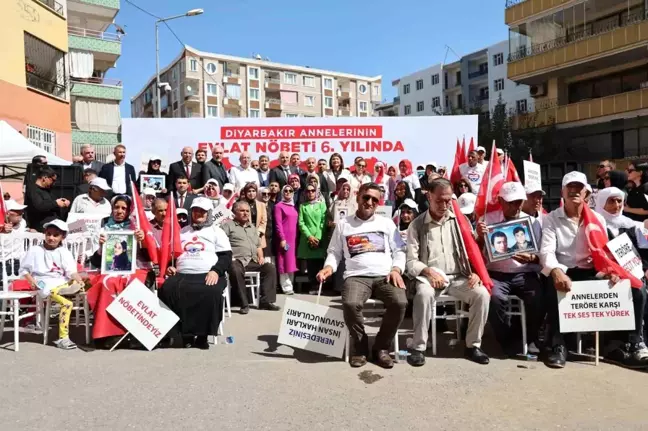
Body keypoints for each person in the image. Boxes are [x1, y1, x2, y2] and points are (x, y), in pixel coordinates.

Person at [317, 183, 407, 369]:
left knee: (400, 302)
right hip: (356, 276)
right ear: (358, 197)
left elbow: (400, 250)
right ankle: (360, 346)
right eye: (366, 197)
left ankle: (381, 348)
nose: (369, 202)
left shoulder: (386, 223)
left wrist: (396, 269)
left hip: (385, 275)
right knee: (350, 304)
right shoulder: (344, 224)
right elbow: (334, 252)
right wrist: (328, 268)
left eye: (375, 199)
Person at [405, 178, 491, 366]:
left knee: (482, 294)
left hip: (459, 277)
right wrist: (427, 271)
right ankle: (419, 347)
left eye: (448, 200)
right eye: (439, 201)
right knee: (423, 294)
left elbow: (473, 251)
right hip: (430, 278)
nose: (444, 205)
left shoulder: (460, 221)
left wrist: (476, 270)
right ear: (429, 196)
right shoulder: (417, 225)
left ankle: (473, 346)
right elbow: (411, 261)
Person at [539, 171, 620, 368]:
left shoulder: (598, 220)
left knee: (624, 289)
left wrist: (610, 270)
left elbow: (604, 252)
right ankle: (558, 345)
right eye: (570, 187)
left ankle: (619, 345)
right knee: (555, 288)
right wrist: (556, 271)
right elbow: (546, 252)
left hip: (588, 271)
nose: (574, 191)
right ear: (563, 192)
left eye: (579, 187)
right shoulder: (551, 219)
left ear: (587, 194)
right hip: (562, 269)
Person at [476, 181, 543, 357]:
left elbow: (541, 255)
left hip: (524, 272)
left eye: (518, 202)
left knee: (538, 297)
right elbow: (476, 252)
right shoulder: (487, 220)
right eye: (510, 202)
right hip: (496, 273)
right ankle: (506, 340)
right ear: (501, 201)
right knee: (494, 298)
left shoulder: (533, 222)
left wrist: (531, 258)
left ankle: (529, 337)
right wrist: (480, 237)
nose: (515, 206)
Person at [160, 198, 232, 349]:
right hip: (182, 273)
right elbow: (172, 253)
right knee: (168, 289)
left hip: (208, 272)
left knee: (210, 291)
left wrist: (215, 271)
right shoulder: (182, 231)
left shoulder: (216, 232)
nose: (198, 214)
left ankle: (202, 336)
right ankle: (184, 334)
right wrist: (170, 266)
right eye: (195, 210)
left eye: (202, 211)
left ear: (208, 213)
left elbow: (226, 257)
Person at [20, 219, 84, 350]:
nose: (51, 238)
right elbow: (24, 270)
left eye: (55, 235)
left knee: (78, 281)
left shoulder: (64, 252)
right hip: (42, 281)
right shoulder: (35, 250)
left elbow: (71, 271)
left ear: (63, 237)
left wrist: (78, 279)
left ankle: (69, 289)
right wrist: (32, 281)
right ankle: (63, 338)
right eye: (48, 234)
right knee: (67, 303)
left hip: (61, 280)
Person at [222, 201, 280, 313]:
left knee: (270, 267)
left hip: (251, 261)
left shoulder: (252, 227)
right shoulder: (227, 226)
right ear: (234, 212)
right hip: (236, 260)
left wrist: (261, 257)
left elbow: (258, 246)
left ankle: (266, 301)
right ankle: (244, 303)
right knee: (235, 268)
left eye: (247, 211)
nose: (245, 213)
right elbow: (220, 242)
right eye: (242, 211)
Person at [298, 182, 327, 293]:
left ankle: (319, 287)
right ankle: (312, 286)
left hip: (320, 237)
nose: (310, 193)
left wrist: (318, 238)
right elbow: (301, 223)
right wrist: (310, 236)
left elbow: (323, 222)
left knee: (320, 263)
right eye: (308, 191)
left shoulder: (322, 205)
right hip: (308, 238)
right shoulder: (302, 206)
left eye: (312, 191)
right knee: (310, 264)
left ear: (316, 192)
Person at [25, 167, 69, 232]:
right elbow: (39, 205)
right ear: (44, 178)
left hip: (56, 224)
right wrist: (56, 203)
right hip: (42, 227)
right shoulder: (33, 190)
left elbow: (53, 204)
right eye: (53, 180)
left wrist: (63, 203)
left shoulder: (48, 191)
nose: (54, 183)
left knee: (81, 225)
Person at [274, 185, 298, 294]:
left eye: (290, 190)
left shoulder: (293, 206)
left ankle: (290, 285)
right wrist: (282, 238)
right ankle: (286, 287)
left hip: (293, 239)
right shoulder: (279, 206)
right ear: (282, 192)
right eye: (286, 191)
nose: (288, 192)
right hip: (285, 239)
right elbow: (278, 224)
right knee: (283, 262)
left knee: (291, 262)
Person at [0, 200, 29, 285]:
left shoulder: (23, 222)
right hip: (3, 263)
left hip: (19, 262)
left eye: (21, 213)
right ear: (7, 213)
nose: (20, 216)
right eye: (18, 213)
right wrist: (2, 230)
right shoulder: (2, 226)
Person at [239, 183, 268, 251]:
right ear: (245, 193)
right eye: (249, 191)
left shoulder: (261, 205)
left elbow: (263, 221)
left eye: (253, 191)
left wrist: (258, 232)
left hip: (258, 236)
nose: (251, 193)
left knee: (259, 259)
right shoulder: (240, 204)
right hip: (245, 236)